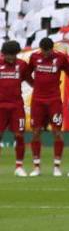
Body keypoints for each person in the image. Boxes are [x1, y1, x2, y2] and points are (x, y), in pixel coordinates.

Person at [26, 36, 68, 176]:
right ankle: (36, 167)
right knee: (36, 132)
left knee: (57, 132)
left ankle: (57, 166)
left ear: (52, 49)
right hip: (37, 100)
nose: (45, 54)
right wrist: (34, 84)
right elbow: (26, 73)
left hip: (54, 100)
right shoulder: (34, 57)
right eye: (43, 51)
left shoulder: (60, 58)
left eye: (48, 51)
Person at [0, 39, 26, 176]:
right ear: (3, 54)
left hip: (17, 106)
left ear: (17, 54)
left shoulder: (22, 65)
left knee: (19, 135)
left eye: (12, 54)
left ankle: (19, 166)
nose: (10, 57)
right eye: (7, 55)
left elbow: (30, 80)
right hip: (1, 106)